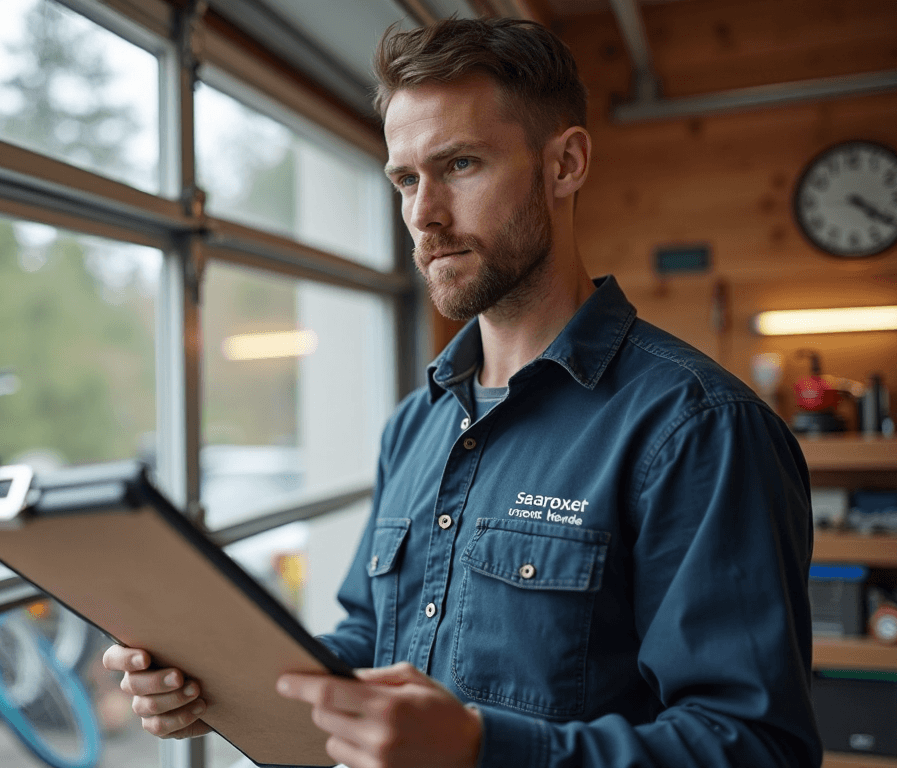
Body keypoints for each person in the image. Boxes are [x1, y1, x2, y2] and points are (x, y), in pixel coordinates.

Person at [105, 16, 820, 768]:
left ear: (565, 164)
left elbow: (756, 747)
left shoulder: (698, 429)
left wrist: (485, 751)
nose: (424, 214)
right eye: (406, 179)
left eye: (461, 165)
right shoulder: (415, 425)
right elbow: (370, 639)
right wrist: (224, 683)